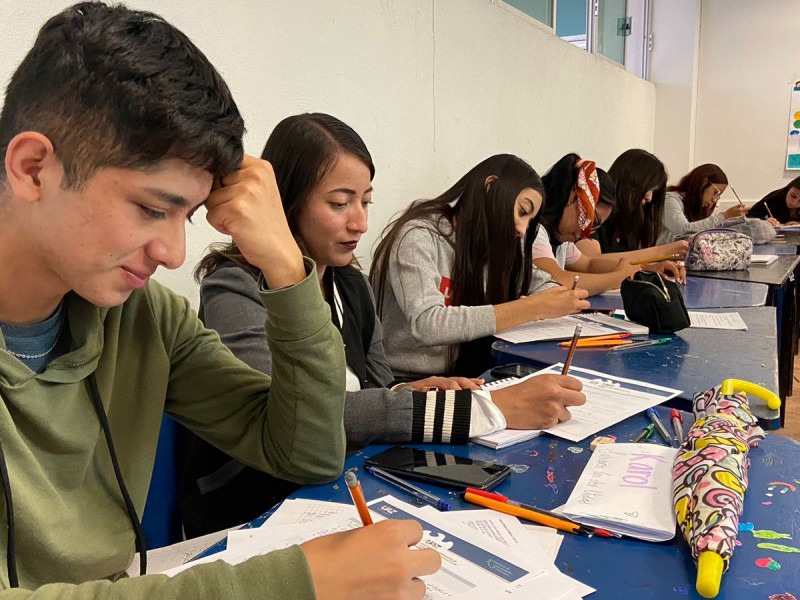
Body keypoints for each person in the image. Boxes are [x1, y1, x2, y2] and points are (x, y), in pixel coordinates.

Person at [0, 3, 440, 598]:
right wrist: (296, 584)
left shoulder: (145, 317)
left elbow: (305, 453)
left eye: (188, 214)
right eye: (153, 208)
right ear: (32, 169)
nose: (174, 253)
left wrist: (286, 267)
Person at [180, 114, 588, 536]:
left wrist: (406, 390)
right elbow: (301, 419)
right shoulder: (233, 288)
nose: (359, 222)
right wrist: (486, 410)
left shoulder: (348, 281)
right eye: (339, 203)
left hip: (346, 473)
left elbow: (375, 383)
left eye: (365, 201)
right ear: (286, 202)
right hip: (260, 502)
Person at [370, 154, 591, 380]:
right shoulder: (418, 237)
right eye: (522, 211)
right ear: (490, 186)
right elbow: (427, 324)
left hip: (467, 374)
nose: (522, 229)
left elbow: (540, 283)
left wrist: (552, 298)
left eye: (529, 221)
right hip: (406, 383)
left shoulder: (492, 246)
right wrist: (530, 308)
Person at [533, 153, 641, 296]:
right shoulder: (533, 229)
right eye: (589, 220)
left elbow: (588, 264)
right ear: (573, 197)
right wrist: (619, 277)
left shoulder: (560, 238)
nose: (583, 233)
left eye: (594, 227)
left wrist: (641, 270)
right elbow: (557, 278)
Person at [576, 148, 688, 281]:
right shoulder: (597, 211)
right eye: (649, 189)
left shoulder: (630, 221)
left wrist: (649, 269)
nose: (649, 198)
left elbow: (619, 266)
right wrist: (663, 252)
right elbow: (590, 262)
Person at [656, 163, 748, 244]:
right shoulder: (669, 200)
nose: (714, 200)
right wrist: (725, 215)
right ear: (703, 182)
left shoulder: (693, 206)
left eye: (718, 196)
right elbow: (683, 230)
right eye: (715, 193)